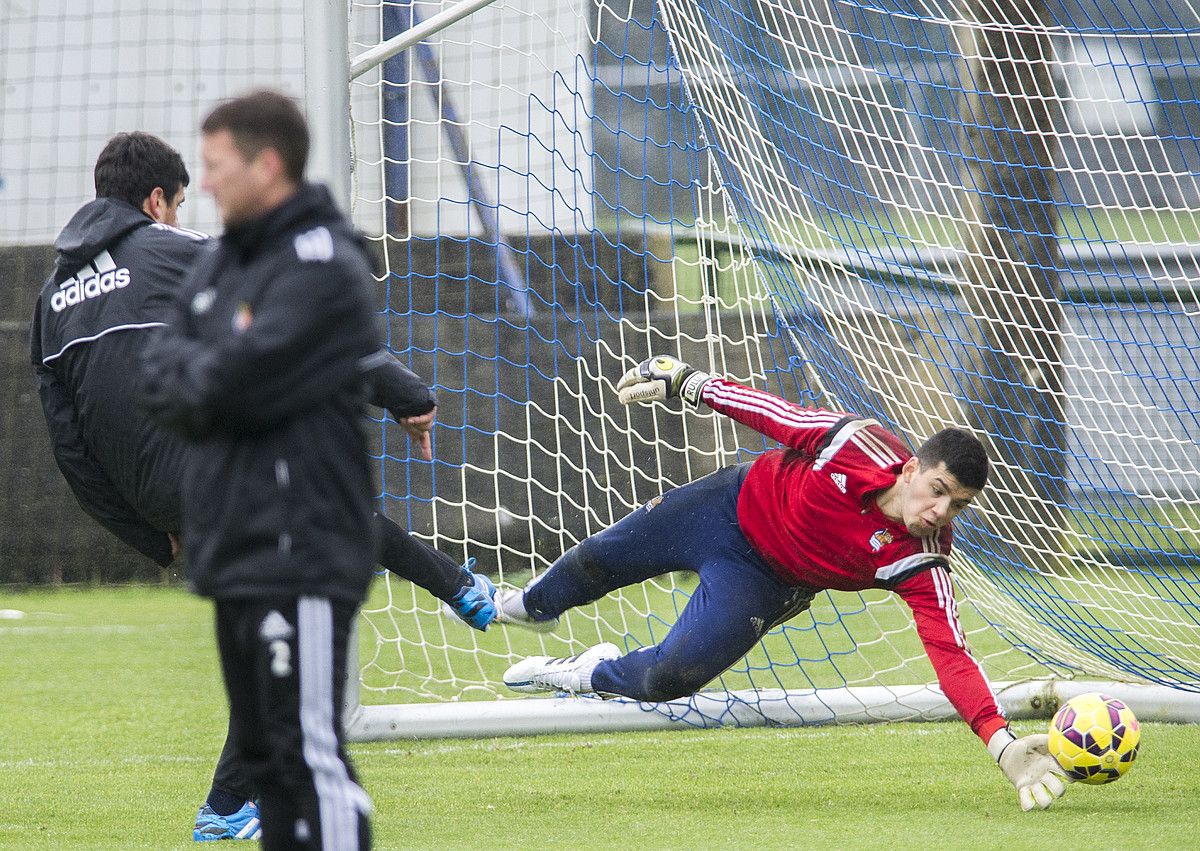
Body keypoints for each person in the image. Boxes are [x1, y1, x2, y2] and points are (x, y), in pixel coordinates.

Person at [31, 130, 495, 844]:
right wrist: (402, 390)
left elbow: (69, 447)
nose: (183, 216)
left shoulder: (51, 300)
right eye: (180, 203)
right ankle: (231, 800)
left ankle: (458, 589)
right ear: (156, 200)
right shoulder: (172, 251)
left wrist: (152, 532)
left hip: (158, 493)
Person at [500, 354, 1071, 812]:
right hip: (725, 506)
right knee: (597, 560)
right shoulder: (855, 443)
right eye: (938, 489)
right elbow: (771, 413)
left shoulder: (922, 559)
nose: (941, 511)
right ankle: (523, 605)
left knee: (667, 678)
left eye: (959, 505)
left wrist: (1003, 748)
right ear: (911, 468)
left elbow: (951, 654)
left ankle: (583, 672)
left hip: (768, 583)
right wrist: (687, 381)